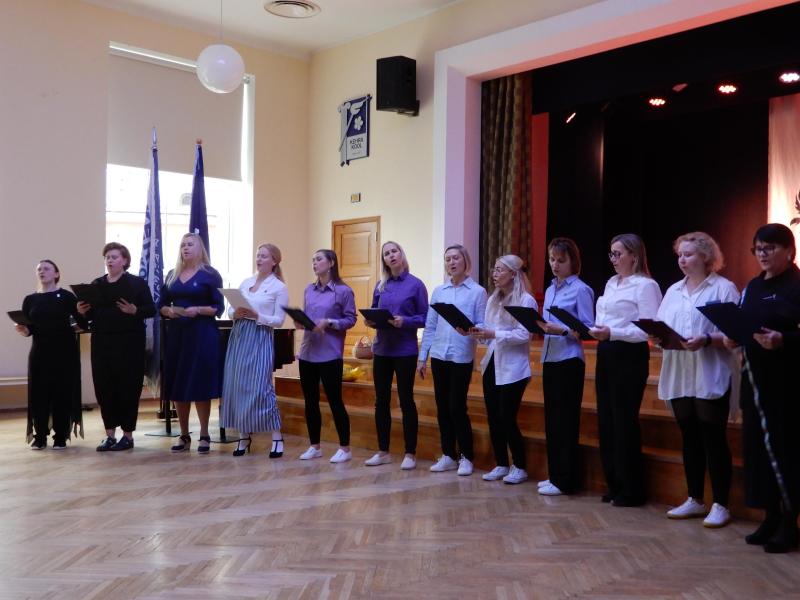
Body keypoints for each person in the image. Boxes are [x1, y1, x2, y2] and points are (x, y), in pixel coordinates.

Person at [656, 232, 739, 528]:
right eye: (680, 254)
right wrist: (659, 337)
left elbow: (735, 333)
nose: (682, 260)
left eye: (688, 254)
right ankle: (694, 498)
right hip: (680, 370)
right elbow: (662, 324)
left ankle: (721, 504)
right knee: (689, 436)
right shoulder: (673, 290)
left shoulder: (723, 288)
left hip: (709, 370)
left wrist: (706, 339)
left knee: (713, 438)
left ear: (706, 256)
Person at [728, 223, 800, 553]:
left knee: (786, 451)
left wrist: (783, 339)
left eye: (770, 248)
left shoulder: (797, 285)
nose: (762, 254)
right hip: (755, 381)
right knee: (758, 450)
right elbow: (746, 325)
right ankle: (770, 516)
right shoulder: (754, 286)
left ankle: (789, 521)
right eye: (758, 248)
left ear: (790, 251)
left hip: (787, 384)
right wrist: (734, 336)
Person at [589, 233, 662, 506]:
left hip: (629, 355)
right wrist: (598, 330)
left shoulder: (646, 286)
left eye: (618, 254)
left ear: (634, 255)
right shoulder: (611, 283)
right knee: (606, 419)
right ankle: (615, 483)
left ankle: (632, 489)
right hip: (607, 351)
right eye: (611, 254)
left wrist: (613, 332)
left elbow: (649, 329)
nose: (613, 259)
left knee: (623, 420)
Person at [77, 242, 155, 451]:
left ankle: (127, 436)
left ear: (125, 260)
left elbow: (151, 309)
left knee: (128, 388)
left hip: (130, 344)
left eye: (114, 257)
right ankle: (109, 435)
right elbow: (88, 317)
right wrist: (82, 311)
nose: (110, 260)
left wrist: (134, 310)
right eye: (107, 257)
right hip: (102, 343)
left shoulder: (136, 283)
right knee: (104, 388)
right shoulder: (96, 285)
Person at [418, 244, 487, 476]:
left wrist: (471, 329)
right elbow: (430, 325)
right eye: (447, 259)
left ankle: (466, 456)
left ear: (465, 261)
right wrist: (423, 357)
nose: (451, 262)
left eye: (456, 258)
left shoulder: (477, 292)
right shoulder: (439, 291)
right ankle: (448, 454)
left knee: (457, 406)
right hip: (439, 354)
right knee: (442, 407)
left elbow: (482, 324)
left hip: (461, 355)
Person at [471, 254, 537, 485]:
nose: (495, 274)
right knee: (493, 417)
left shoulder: (526, 300)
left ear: (513, 274)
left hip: (514, 367)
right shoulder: (493, 299)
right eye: (494, 269)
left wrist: (494, 334)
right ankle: (501, 463)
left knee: (507, 417)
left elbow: (524, 334)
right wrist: (477, 333)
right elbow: (489, 333)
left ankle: (520, 466)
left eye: (500, 270)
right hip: (492, 362)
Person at [536, 238, 594, 496]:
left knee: (566, 421)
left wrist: (562, 330)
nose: (555, 265)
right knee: (552, 421)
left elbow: (588, 329)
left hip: (569, 359)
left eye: (561, 260)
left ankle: (565, 480)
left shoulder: (581, 289)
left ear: (573, 261)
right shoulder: (550, 289)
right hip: (550, 358)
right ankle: (555, 474)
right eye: (552, 259)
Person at [363, 241, 428, 470]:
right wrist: (370, 320)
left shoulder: (416, 284)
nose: (391, 255)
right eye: (387, 253)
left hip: (405, 350)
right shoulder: (381, 285)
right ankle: (383, 451)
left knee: (406, 400)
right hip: (382, 349)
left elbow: (425, 318)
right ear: (384, 260)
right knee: (381, 400)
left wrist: (405, 321)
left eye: (394, 251)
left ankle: (410, 453)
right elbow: (374, 310)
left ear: (401, 254)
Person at [220, 243, 288, 458]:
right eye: (258, 255)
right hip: (240, 335)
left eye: (264, 256)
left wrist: (258, 316)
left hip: (260, 336)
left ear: (274, 261)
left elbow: (279, 320)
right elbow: (231, 309)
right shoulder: (246, 282)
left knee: (261, 387)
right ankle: (243, 435)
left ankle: (277, 436)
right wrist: (235, 313)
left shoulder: (279, 287)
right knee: (237, 385)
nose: (259, 259)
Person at [160, 233, 224, 454]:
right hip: (177, 335)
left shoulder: (210, 275)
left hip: (202, 334)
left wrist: (198, 310)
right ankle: (184, 434)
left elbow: (218, 307)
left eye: (190, 244)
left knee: (200, 383)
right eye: (183, 245)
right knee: (179, 382)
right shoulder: (172, 274)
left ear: (200, 248)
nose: (185, 248)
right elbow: (161, 304)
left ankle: (204, 434)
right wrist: (168, 311)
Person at [15, 259, 86, 450]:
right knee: (39, 394)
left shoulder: (67, 297)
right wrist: (23, 330)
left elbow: (80, 325)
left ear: (56, 274)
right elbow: (29, 329)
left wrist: (80, 316)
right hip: (39, 353)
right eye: (39, 269)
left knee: (62, 393)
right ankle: (40, 436)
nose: (42, 271)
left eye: (46, 268)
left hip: (65, 353)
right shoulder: (30, 299)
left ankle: (60, 436)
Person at [295, 249, 357, 463]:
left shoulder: (344, 291)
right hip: (307, 352)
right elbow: (307, 317)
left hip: (330, 354)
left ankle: (345, 448)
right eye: (313, 260)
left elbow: (351, 319)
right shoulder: (308, 289)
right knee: (310, 401)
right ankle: (315, 446)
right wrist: (300, 321)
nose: (314, 263)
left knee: (335, 401)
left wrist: (330, 322)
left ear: (331, 263)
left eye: (319, 259)